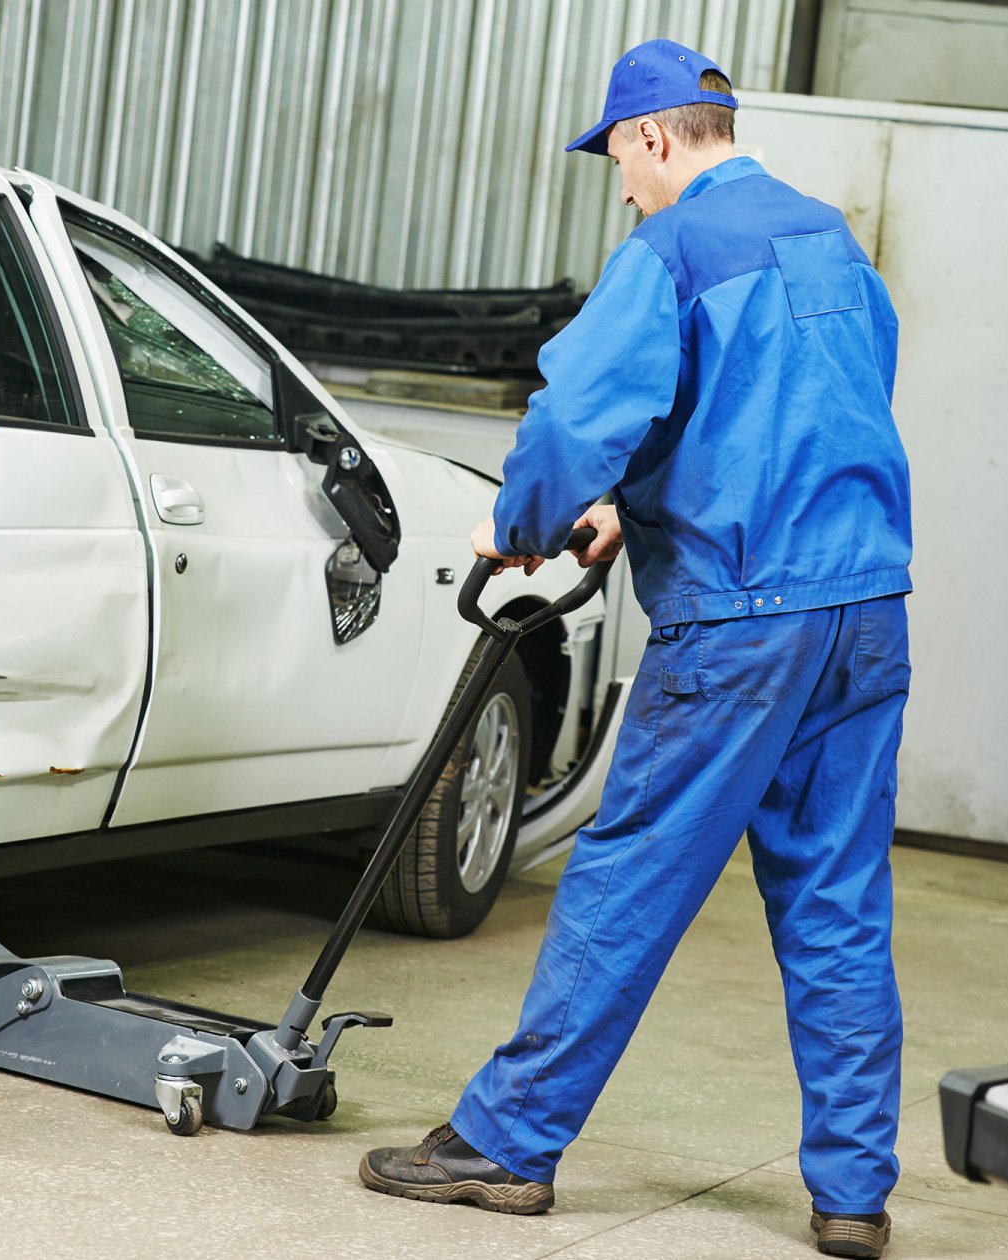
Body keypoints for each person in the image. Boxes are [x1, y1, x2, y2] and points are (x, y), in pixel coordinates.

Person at [357, 39, 913, 1260]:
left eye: (618, 157)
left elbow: (574, 414)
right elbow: (803, 410)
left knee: (627, 878)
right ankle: (854, 1194)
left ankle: (507, 1146)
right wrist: (640, 498)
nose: (620, 186)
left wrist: (529, 523)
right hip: (864, 608)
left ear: (655, 136)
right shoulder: (826, 237)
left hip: (743, 618)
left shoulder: (673, 248)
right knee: (836, 899)